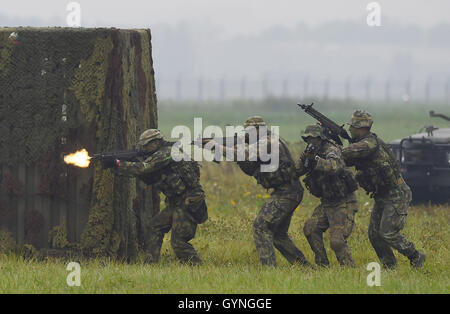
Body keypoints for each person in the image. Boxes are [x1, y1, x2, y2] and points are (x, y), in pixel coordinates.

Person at [206, 116, 310, 267]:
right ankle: (304, 267)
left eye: (248, 132)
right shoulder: (265, 140)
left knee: (261, 227)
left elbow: (244, 155)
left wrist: (215, 146)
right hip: (288, 191)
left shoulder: (267, 142)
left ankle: (269, 269)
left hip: (287, 192)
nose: (246, 135)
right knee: (278, 235)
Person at [105, 129, 207, 266]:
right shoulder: (160, 153)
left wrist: (118, 163)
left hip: (188, 201)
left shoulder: (167, 153)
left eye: (147, 145)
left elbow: (144, 168)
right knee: (154, 228)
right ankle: (150, 264)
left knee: (179, 242)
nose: (144, 148)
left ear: (156, 143)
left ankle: (197, 268)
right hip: (176, 201)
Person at [342, 110, 425, 268]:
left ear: (360, 128)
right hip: (382, 195)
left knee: (387, 233)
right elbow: (347, 160)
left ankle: (415, 255)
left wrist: (334, 149)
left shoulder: (369, 143)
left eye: (352, 126)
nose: (350, 129)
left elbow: (346, 153)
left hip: (396, 194)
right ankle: (390, 267)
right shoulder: (363, 143)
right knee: (374, 235)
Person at [297, 124, 359, 267]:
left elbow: (333, 166)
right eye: (308, 140)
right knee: (310, 228)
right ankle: (322, 265)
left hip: (344, 202)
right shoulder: (311, 152)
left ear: (320, 139)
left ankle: (350, 272)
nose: (310, 143)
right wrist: (303, 160)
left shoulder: (332, 150)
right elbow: (297, 171)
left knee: (337, 241)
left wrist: (315, 160)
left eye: (313, 139)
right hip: (327, 203)